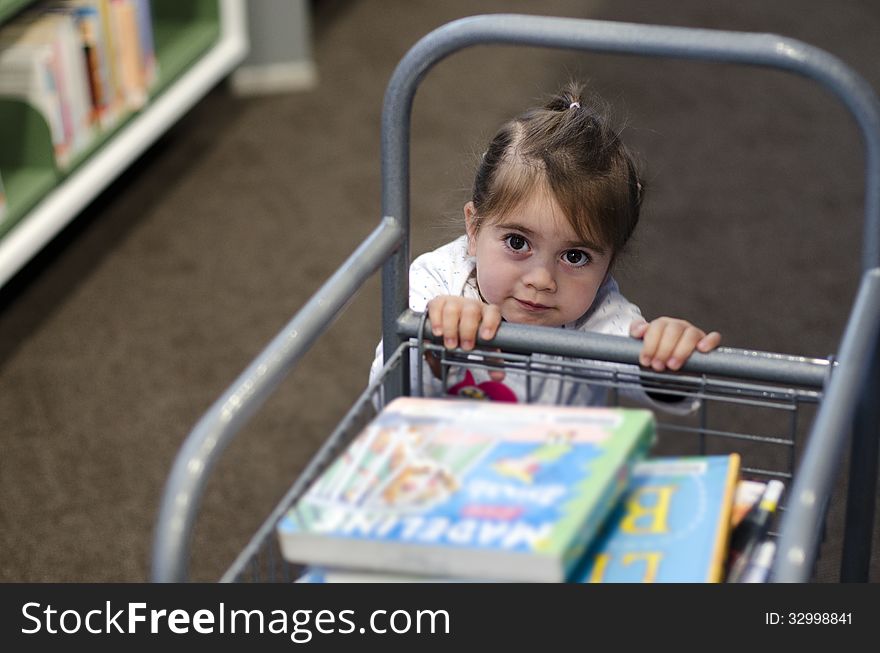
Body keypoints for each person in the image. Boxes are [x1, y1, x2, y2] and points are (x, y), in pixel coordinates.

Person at [370, 81, 721, 407]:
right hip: (444, 464)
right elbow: (384, 393)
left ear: (609, 265)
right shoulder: (436, 280)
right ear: (474, 230)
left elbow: (642, 370)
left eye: (574, 255)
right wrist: (430, 341)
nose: (541, 279)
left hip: (558, 467)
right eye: (517, 242)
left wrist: (669, 356)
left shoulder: (598, 312)